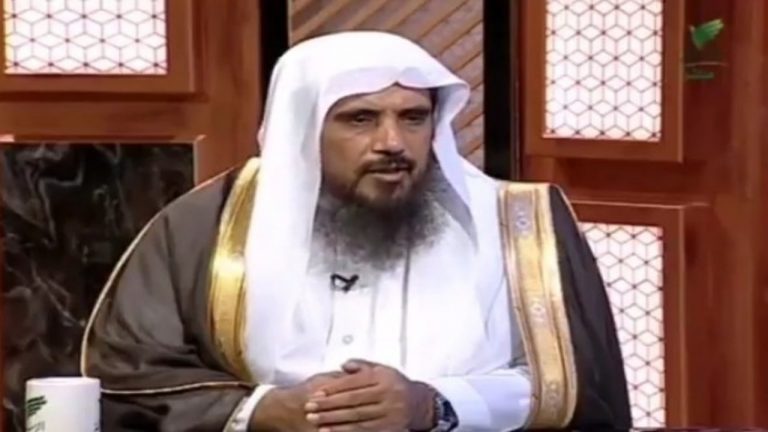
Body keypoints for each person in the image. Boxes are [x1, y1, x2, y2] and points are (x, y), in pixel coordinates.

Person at [80, 31, 631, 431]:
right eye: (361, 119)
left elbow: (581, 386)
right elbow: (129, 372)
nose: (393, 142)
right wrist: (259, 411)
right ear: (304, 130)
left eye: (413, 118)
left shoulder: (521, 224)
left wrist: (435, 405)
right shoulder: (209, 223)